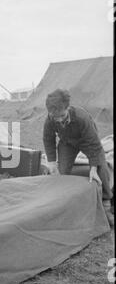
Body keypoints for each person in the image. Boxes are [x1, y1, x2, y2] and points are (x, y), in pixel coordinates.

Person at [43, 89, 114, 225]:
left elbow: (94, 143)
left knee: (102, 169)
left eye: (62, 115)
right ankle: (68, 201)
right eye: (54, 116)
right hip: (67, 143)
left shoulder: (82, 117)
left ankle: (106, 205)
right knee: (62, 171)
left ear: (67, 107)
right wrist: (51, 162)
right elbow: (48, 139)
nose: (58, 119)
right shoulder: (50, 119)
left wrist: (93, 167)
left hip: (87, 141)